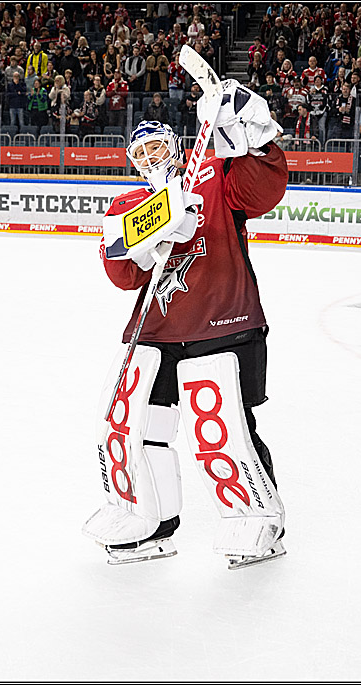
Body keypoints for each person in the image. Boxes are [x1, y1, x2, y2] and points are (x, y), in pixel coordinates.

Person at [86, 79, 288, 569]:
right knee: (138, 427)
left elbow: (264, 190)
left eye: (157, 145)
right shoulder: (126, 206)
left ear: (176, 146)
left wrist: (254, 139)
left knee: (224, 425)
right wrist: (146, 239)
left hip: (223, 320)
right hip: (154, 333)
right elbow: (121, 272)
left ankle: (255, 518)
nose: (150, 155)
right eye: (141, 151)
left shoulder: (215, 175)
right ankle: (149, 523)